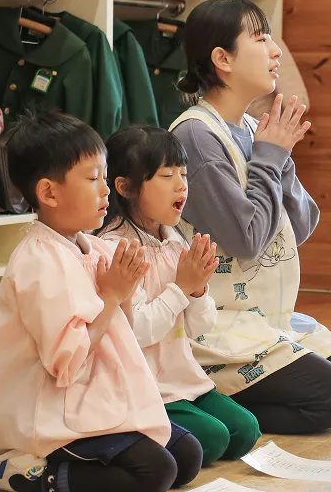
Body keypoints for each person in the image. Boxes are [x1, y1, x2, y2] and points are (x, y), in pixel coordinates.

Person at [169, 0, 331, 434]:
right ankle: (207, 404)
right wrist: (270, 156)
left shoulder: (250, 127)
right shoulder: (196, 135)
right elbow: (246, 241)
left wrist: (279, 156)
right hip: (216, 321)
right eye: (261, 39)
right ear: (223, 59)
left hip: (262, 314)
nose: (276, 51)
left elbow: (299, 227)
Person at [0, 111, 202, 492]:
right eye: (93, 179)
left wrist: (126, 295)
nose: (105, 191)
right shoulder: (38, 262)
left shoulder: (94, 248)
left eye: (105, 178)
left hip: (98, 397)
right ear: (49, 193)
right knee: (154, 473)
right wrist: (112, 296)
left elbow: (127, 333)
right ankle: (29, 475)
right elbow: (68, 364)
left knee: (187, 456)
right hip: (53, 411)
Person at [98, 125, 261, 466]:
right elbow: (137, 333)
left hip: (184, 379)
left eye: (184, 174)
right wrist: (181, 289)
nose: (181, 185)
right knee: (214, 439)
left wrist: (198, 289)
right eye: (166, 175)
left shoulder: (175, 241)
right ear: (125, 187)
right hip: (146, 387)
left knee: (246, 430)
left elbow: (201, 327)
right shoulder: (115, 248)